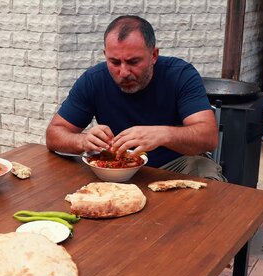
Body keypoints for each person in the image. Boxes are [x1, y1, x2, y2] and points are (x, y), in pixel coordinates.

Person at [46, 15, 226, 181]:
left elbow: (208, 138)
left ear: (154, 55)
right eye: (114, 62)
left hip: (175, 165)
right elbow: (53, 135)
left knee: (206, 176)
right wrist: (82, 141)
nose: (123, 72)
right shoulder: (94, 79)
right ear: (105, 56)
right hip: (115, 168)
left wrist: (163, 134)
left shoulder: (180, 75)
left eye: (133, 62)